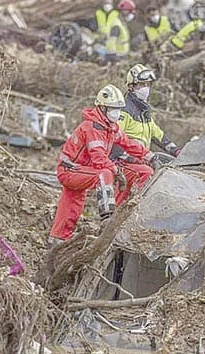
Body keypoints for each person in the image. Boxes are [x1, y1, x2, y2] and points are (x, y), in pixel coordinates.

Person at [49, 84, 155, 245]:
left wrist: (149, 156)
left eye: (119, 109)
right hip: (70, 170)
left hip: (82, 170)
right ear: (102, 108)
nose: (117, 113)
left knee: (72, 207)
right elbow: (99, 159)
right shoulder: (92, 127)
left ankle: (57, 240)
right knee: (104, 174)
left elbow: (128, 143)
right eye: (113, 109)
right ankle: (108, 218)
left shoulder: (110, 127)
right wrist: (116, 171)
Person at [113, 64, 181, 158]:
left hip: (143, 158)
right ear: (131, 86)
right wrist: (129, 159)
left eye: (148, 85)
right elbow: (115, 139)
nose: (146, 88)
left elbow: (157, 134)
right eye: (141, 84)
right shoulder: (124, 110)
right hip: (128, 162)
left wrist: (175, 151)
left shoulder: (144, 111)